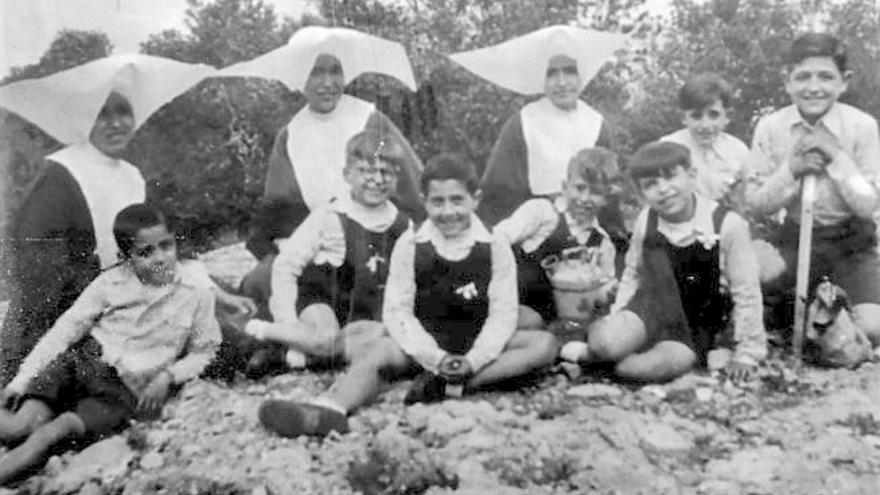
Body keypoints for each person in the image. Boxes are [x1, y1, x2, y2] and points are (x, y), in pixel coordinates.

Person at [256, 153, 559, 438]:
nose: (448, 211)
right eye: (437, 202)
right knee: (376, 352)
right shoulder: (411, 243)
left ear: (475, 200)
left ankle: (452, 386)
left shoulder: (494, 244)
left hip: (473, 338)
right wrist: (433, 356)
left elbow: (502, 313)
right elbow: (398, 311)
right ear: (425, 202)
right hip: (422, 342)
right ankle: (331, 408)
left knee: (543, 343)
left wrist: (475, 359)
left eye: (457, 200)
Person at [0, 55, 226, 385]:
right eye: (102, 114)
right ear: (83, 120)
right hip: (68, 310)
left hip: (131, 299)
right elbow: (40, 272)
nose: (116, 122)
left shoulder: (132, 176)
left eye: (123, 112)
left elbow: (160, 244)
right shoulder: (61, 174)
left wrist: (212, 289)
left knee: (208, 317)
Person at [0, 203, 221, 484]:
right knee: (19, 426)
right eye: (145, 252)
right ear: (125, 257)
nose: (160, 258)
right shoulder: (110, 283)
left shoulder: (197, 291)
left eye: (166, 246)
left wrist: (169, 375)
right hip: (83, 363)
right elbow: (65, 331)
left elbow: (206, 350)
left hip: (122, 390)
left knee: (51, 433)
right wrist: (21, 381)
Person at [220, 26, 425, 260]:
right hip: (321, 245)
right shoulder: (291, 135)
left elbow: (409, 183)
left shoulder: (370, 120)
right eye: (316, 72)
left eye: (335, 71)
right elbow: (280, 207)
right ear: (300, 77)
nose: (328, 82)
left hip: (380, 237)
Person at [573, 142, 766, 383]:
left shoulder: (726, 224)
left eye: (671, 177)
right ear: (641, 194)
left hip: (695, 322)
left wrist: (747, 352)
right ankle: (602, 348)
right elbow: (633, 272)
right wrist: (619, 315)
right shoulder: (647, 219)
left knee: (634, 370)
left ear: (691, 175)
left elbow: (746, 291)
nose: (663, 189)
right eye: (651, 184)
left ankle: (594, 359)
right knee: (606, 344)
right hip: (648, 309)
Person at [236, 130, 412, 375]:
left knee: (382, 346)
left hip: (362, 313)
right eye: (366, 171)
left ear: (397, 177)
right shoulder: (329, 216)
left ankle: (298, 353)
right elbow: (286, 267)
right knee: (326, 340)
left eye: (386, 172)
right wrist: (288, 322)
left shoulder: (403, 225)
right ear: (347, 175)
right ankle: (267, 332)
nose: (376, 180)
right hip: (322, 302)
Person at [745, 32, 880, 346]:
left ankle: (822, 314)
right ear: (787, 81)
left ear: (843, 81)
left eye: (826, 77)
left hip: (852, 243)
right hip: (793, 239)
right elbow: (756, 204)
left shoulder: (862, 127)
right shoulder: (771, 127)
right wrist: (791, 170)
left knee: (872, 329)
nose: (814, 87)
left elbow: (867, 204)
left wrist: (837, 156)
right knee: (753, 289)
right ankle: (811, 314)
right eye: (803, 77)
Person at [448, 25, 627, 244]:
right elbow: (500, 189)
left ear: (581, 74)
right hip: (535, 230)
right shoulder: (524, 121)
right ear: (540, 77)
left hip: (587, 225)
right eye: (551, 73)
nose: (561, 82)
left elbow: (608, 190)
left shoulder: (596, 123)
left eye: (569, 71)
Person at [494, 148, 619, 329]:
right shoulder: (543, 212)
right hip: (518, 312)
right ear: (565, 186)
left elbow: (600, 293)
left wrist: (611, 291)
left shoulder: (602, 243)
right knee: (533, 323)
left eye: (596, 192)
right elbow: (497, 239)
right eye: (579, 188)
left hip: (563, 324)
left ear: (606, 198)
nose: (584, 199)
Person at [659, 73, 750, 205]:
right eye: (696, 116)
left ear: (727, 116)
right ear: (683, 117)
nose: (705, 125)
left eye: (714, 115)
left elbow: (750, 196)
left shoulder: (738, 151)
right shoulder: (668, 148)